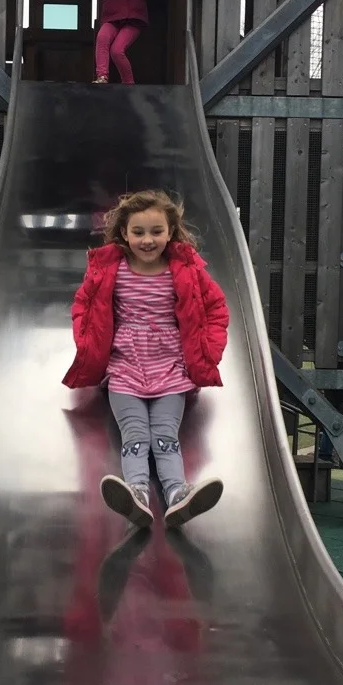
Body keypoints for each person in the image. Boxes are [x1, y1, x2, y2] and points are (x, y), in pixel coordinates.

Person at [63, 189, 229, 529]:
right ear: (124, 233)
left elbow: (216, 308)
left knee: (165, 436)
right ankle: (136, 494)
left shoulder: (185, 270)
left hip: (170, 372)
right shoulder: (111, 269)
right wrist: (87, 343)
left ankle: (177, 496)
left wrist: (208, 350)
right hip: (125, 371)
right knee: (136, 435)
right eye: (138, 232)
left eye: (157, 231)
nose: (148, 240)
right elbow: (84, 305)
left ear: (170, 232)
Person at [72, 0, 169, 85]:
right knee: (102, 38)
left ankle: (129, 83)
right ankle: (102, 77)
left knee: (117, 50)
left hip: (133, 18)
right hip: (113, 17)